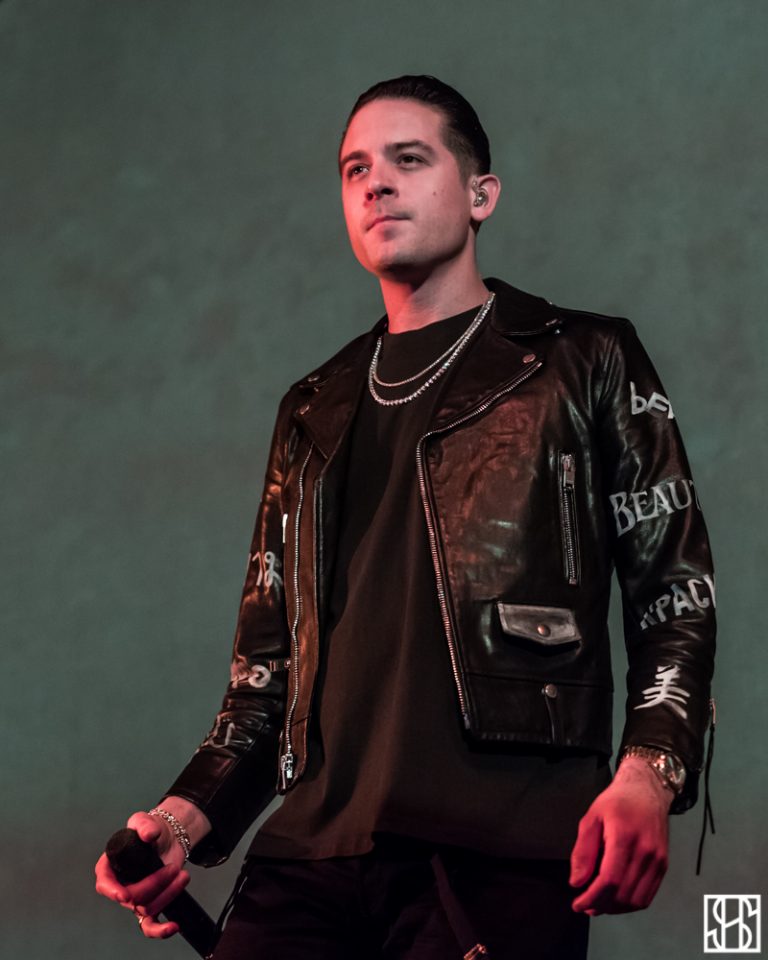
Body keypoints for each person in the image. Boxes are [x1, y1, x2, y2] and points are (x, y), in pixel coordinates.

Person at [95, 75, 716, 959]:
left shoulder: (584, 360)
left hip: (497, 847)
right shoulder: (313, 408)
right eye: (355, 170)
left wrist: (649, 773)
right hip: (309, 855)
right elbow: (265, 679)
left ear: (480, 194)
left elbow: (674, 599)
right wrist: (178, 820)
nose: (376, 183)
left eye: (409, 159)